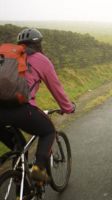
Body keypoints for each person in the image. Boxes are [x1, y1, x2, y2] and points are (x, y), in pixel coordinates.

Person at [0, 28, 75, 181]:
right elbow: (56, 89)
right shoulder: (41, 59)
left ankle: (20, 184)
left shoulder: (5, 58)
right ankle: (38, 169)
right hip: (21, 110)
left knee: (19, 147)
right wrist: (68, 107)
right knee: (48, 131)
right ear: (39, 44)